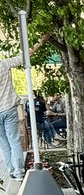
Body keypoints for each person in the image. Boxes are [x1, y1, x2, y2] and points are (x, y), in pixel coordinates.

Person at [0, 36, 49, 179]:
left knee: (3, 143)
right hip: (9, 108)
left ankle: (11, 170)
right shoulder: (3, 64)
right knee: (14, 141)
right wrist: (40, 41)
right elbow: (22, 57)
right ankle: (19, 171)